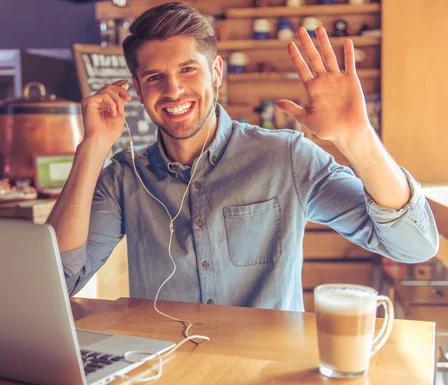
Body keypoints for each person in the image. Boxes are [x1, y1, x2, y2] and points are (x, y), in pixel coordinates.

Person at [47, 2, 438, 311]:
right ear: (137, 87)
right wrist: (92, 146)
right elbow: (58, 282)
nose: (174, 90)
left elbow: (414, 245)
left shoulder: (286, 157)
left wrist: (358, 138)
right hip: (167, 378)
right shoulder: (124, 176)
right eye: (155, 77)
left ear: (216, 71)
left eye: (188, 69)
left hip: (267, 376)